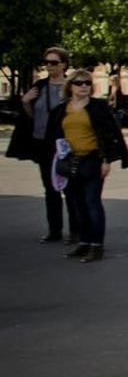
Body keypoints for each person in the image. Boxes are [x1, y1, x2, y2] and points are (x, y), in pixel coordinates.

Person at [47, 69, 128, 263]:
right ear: (70, 86)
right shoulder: (62, 109)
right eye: (79, 83)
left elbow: (109, 135)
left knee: (92, 202)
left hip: (92, 160)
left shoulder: (98, 107)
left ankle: (96, 245)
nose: (84, 86)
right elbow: (54, 136)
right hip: (70, 161)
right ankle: (84, 241)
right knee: (77, 205)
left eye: (87, 83)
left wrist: (106, 161)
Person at [6, 47, 79, 244]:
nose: (49, 66)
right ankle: (54, 230)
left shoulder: (72, 86)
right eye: (47, 62)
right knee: (50, 188)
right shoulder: (40, 85)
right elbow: (32, 117)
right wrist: (26, 102)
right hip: (43, 144)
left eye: (54, 62)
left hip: (65, 145)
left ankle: (76, 231)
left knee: (70, 188)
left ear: (64, 65)